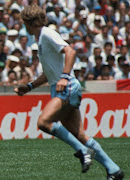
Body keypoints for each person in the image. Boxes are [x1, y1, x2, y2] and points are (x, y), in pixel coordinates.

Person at [14, 5, 124, 180]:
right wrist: (29, 87)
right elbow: (48, 72)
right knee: (79, 134)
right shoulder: (41, 39)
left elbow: (70, 51)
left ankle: (83, 151)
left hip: (66, 86)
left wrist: (65, 77)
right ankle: (114, 170)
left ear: (29, 21)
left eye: (23, 22)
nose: (23, 26)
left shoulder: (47, 33)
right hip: (60, 86)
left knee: (44, 122)